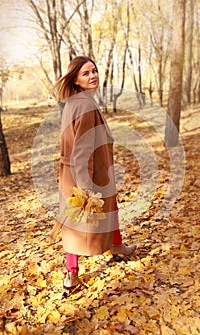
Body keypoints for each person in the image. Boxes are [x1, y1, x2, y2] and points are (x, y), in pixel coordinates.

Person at [51, 56, 136, 290]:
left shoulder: (74, 102)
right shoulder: (85, 105)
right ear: (76, 80)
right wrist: (85, 184)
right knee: (77, 223)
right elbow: (82, 149)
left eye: (94, 71)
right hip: (86, 173)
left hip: (78, 172)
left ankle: (116, 246)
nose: (93, 76)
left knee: (109, 209)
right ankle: (72, 274)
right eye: (86, 73)